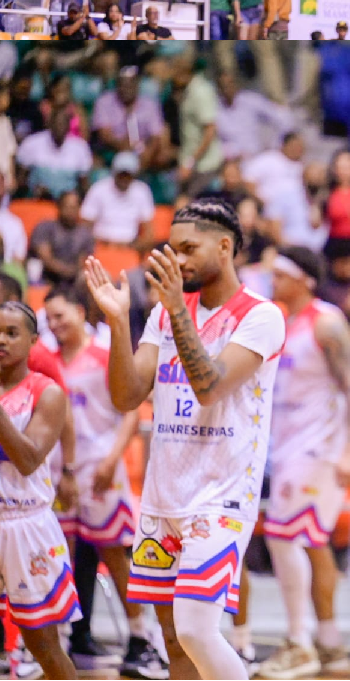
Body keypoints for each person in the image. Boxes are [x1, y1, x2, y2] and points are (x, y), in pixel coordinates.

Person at [83, 197, 286, 680]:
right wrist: (116, 322)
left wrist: (176, 311)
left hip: (221, 498)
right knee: (174, 641)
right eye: (171, 250)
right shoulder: (162, 314)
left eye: (188, 248)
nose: (177, 260)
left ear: (225, 246)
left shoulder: (260, 316)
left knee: (196, 630)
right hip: (163, 496)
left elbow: (211, 386)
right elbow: (128, 395)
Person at [44, 285, 168, 679]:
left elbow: (130, 410)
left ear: (81, 312)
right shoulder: (47, 361)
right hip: (59, 474)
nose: (55, 323)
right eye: (49, 318)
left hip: (101, 469)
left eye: (61, 315)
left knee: (116, 555)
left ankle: (140, 638)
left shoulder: (102, 355)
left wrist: (113, 457)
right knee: (60, 556)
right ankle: (63, 642)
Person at [258, 247, 350, 679]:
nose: (273, 282)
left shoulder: (327, 321)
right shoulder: (283, 324)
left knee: (283, 538)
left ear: (305, 279)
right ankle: (330, 643)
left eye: (281, 274)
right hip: (286, 447)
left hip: (317, 448)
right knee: (310, 541)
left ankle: (299, 641)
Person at [0, 300, 77, 680]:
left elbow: (28, 458)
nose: (1, 340)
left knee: (43, 645)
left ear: (33, 340)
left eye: (11, 333)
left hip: (25, 526)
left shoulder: (46, 393)